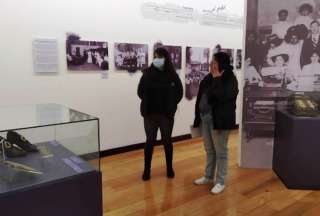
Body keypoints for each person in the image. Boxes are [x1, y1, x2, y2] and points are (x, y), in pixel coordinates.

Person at [193, 52, 238, 194]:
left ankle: (220, 181)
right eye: (211, 61)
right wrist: (197, 117)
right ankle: (208, 176)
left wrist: (217, 78)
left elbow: (224, 96)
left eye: (214, 61)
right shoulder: (208, 77)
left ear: (222, 62)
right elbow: (201, 96)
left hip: (219, 120)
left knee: (221, 152)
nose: (211, 64)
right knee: (209, 150)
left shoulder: (230, 78)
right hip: (205, 118)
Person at [138, 47, 183, 181]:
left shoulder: (172, 74)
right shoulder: (147, 74)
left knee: (167, 141)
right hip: (150, 114)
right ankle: (147, 170)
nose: (157, 59)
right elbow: (140, 92)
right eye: (155, 56)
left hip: (166, 115)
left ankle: (169, 168)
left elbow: (179, 93)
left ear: (165, 58)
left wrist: (171, 105)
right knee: (150, 142)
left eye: (159, 57)